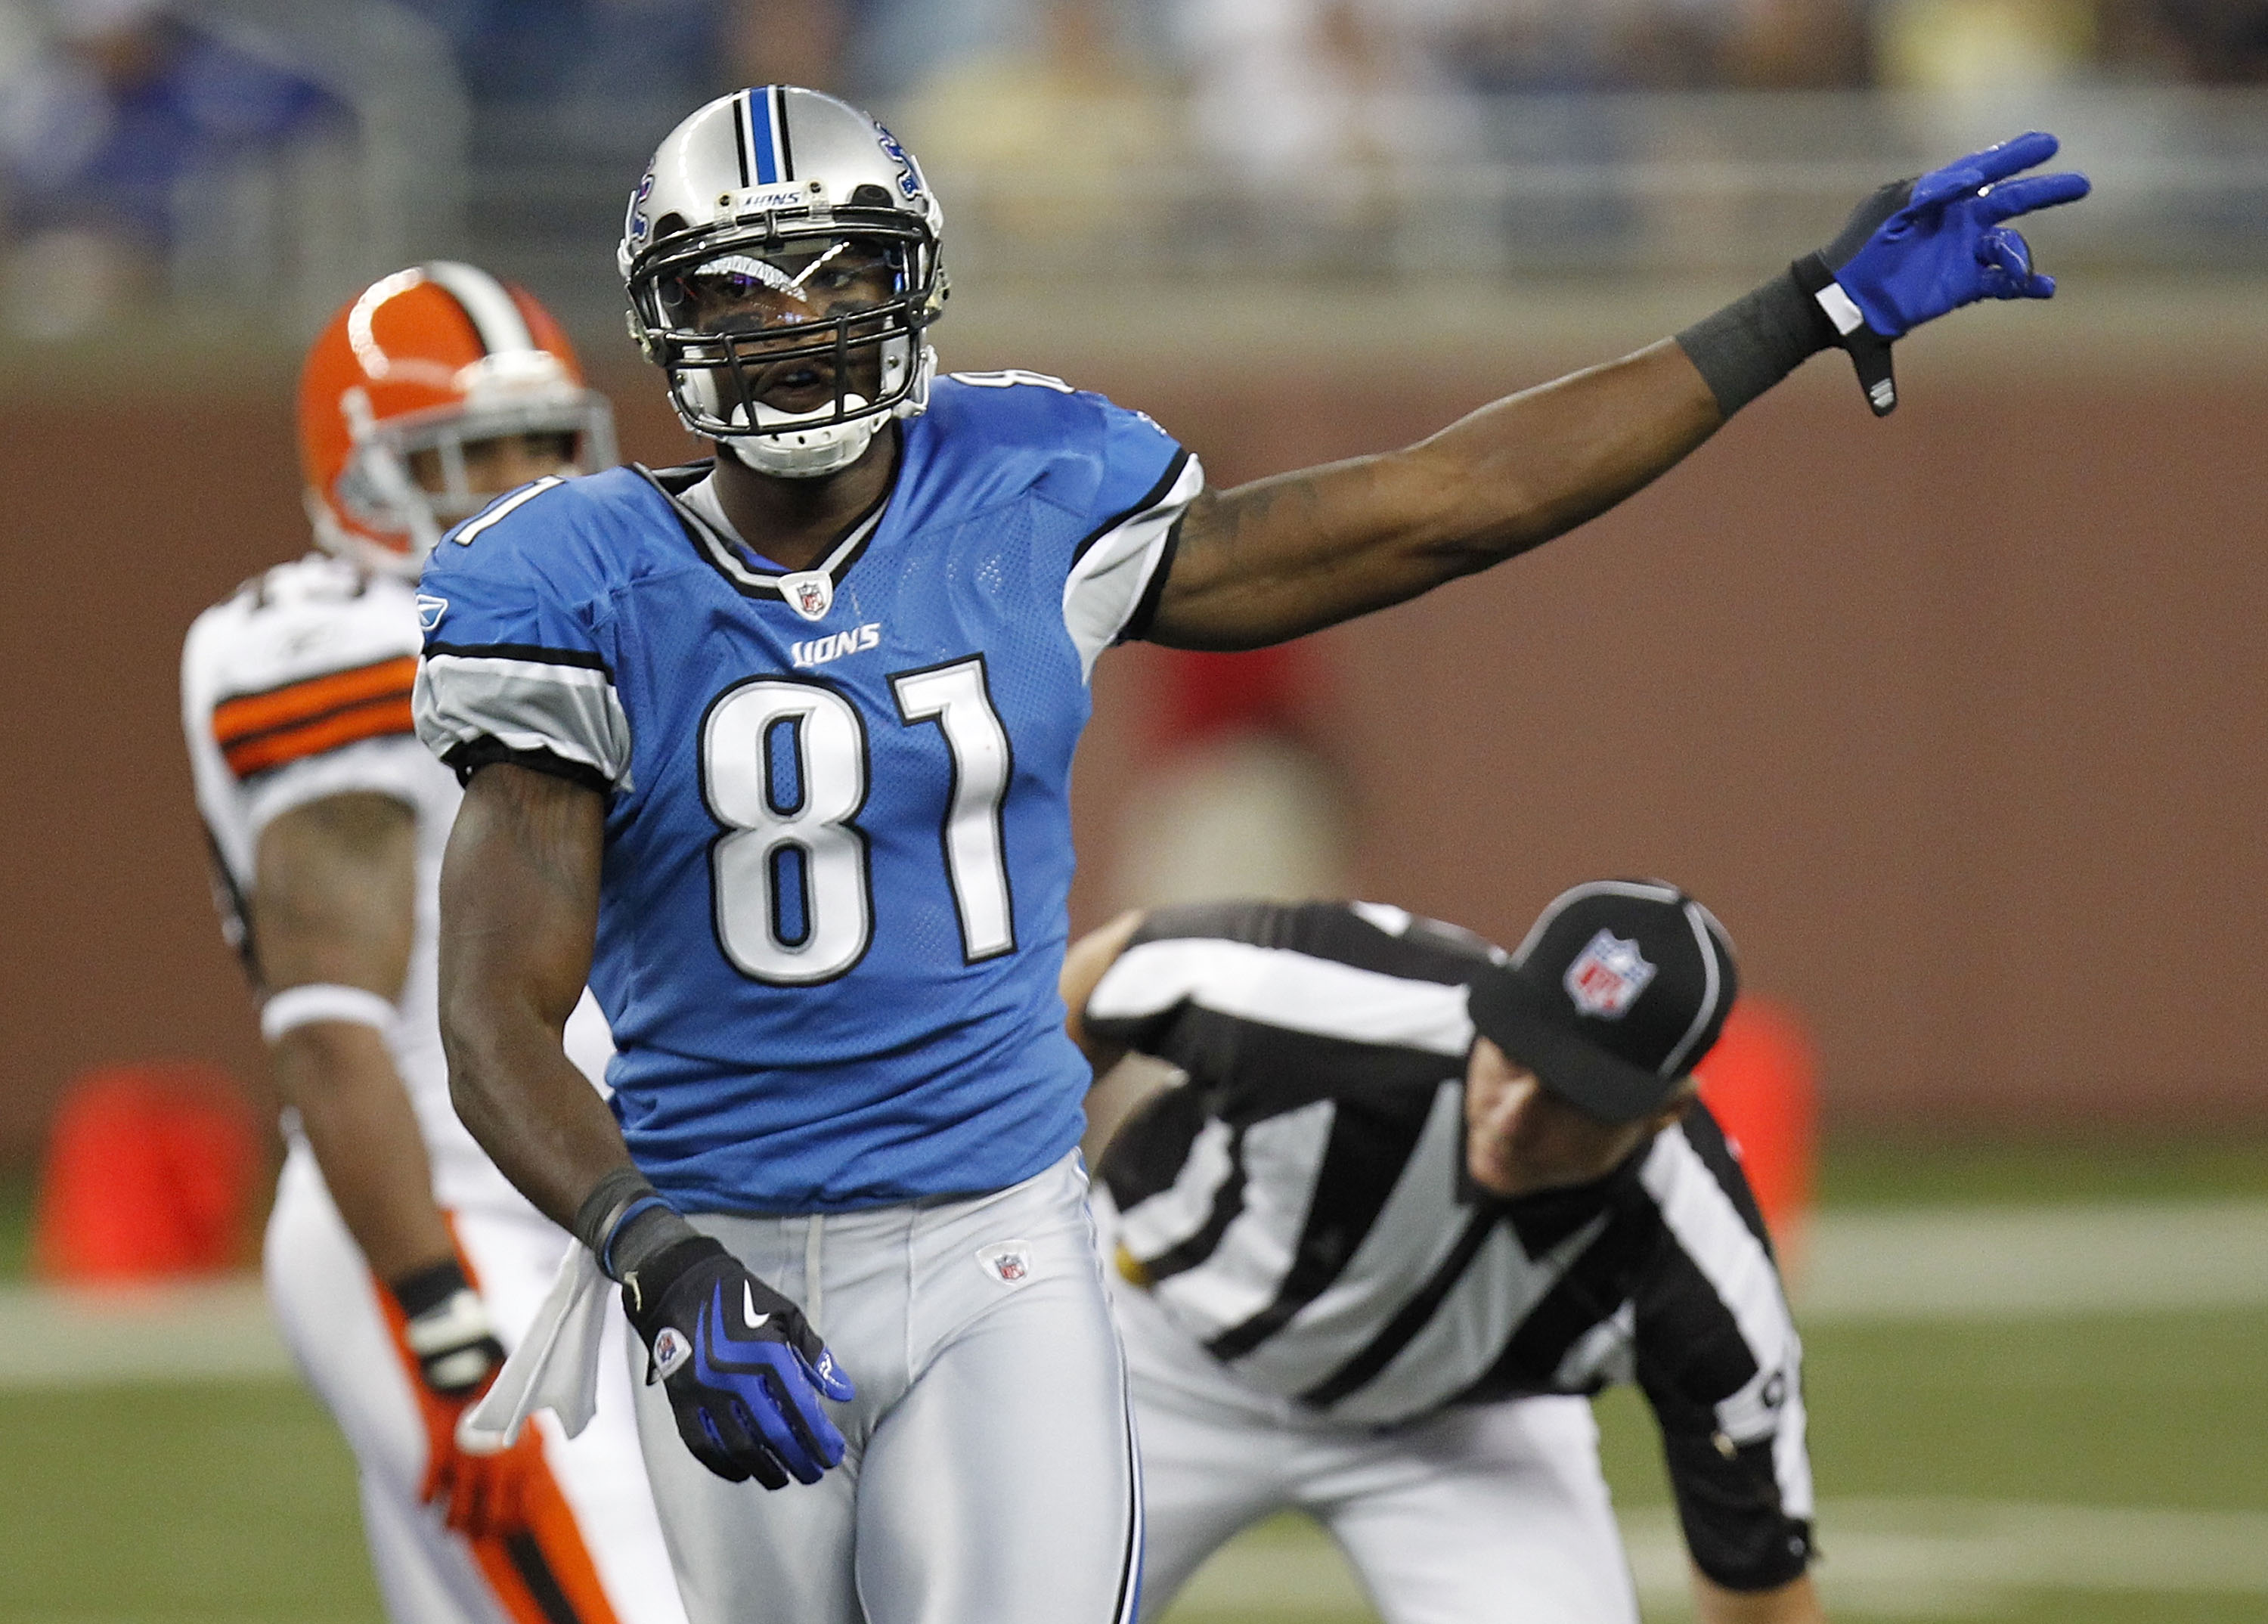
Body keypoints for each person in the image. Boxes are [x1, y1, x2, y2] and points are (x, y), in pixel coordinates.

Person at [409, 85, 2082, 1624]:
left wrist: (1804, 310)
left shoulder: (1025, 490)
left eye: (839, 272)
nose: (796, 326)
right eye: (740, 290)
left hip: (996, 1239)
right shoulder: (577, 586)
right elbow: (492, 1017)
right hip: (722, 1242)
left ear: (910, 279)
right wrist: (655, 1254)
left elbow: (1447, 501)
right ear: (666, 317)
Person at [181, 262, 684, 1624]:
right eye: (471, 456)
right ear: (361, 478)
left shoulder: (601, 609)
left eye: (544, 443)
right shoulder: (328, 644)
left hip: (592, 1201)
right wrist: (439, 1312)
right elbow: (328, 1025)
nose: (521, 486)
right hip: (445, 1211)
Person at [1062, 884, 1814, 1624]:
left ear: (1662, 1114)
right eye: (1514, 1051)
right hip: (1156, 1355)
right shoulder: (1331, 995)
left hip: (1459, 1428)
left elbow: (1761, 1599)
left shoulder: (1706, 1267)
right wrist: (1017, 1209)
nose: (1514, 1113)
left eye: (1571, 1095)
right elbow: (1107, 972)